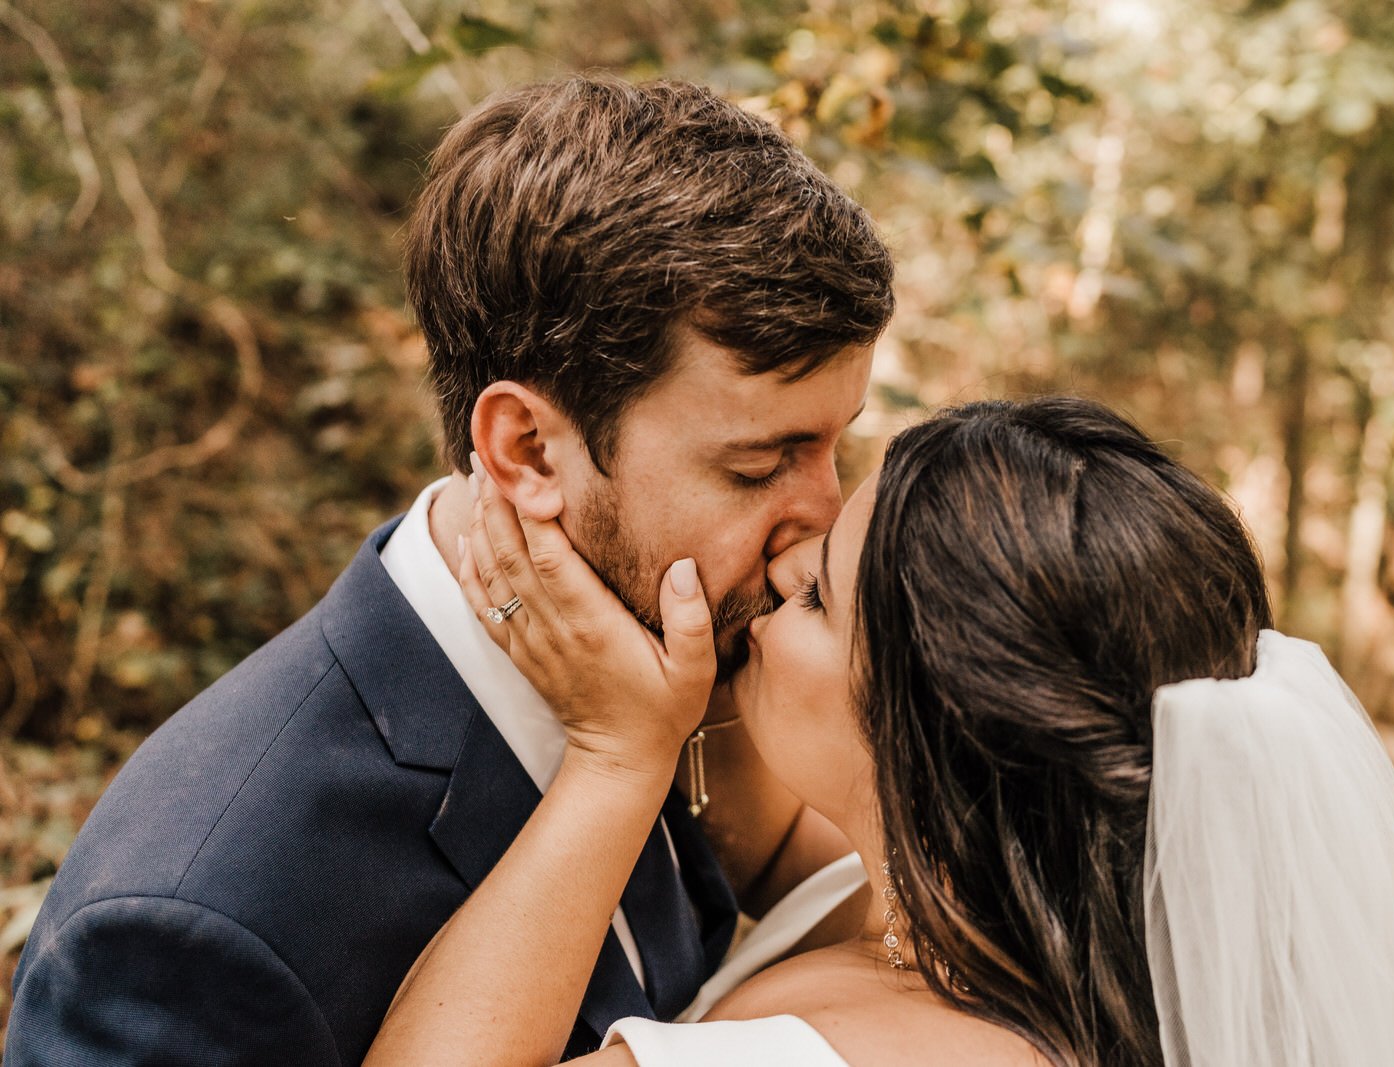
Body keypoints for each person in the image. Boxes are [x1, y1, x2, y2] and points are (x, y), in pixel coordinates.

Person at [5, 76, 893, 1065]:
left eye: (832, 449)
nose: (817, 522)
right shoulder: (191, 919)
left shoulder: (687, 645)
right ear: (525, 449)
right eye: (761, 464)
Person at [368, 396, 1394, 1066]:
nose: (777, 563)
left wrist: (615, 761)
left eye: (814, 595)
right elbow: (776, 854)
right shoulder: (1039, 930)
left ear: (934, 731)